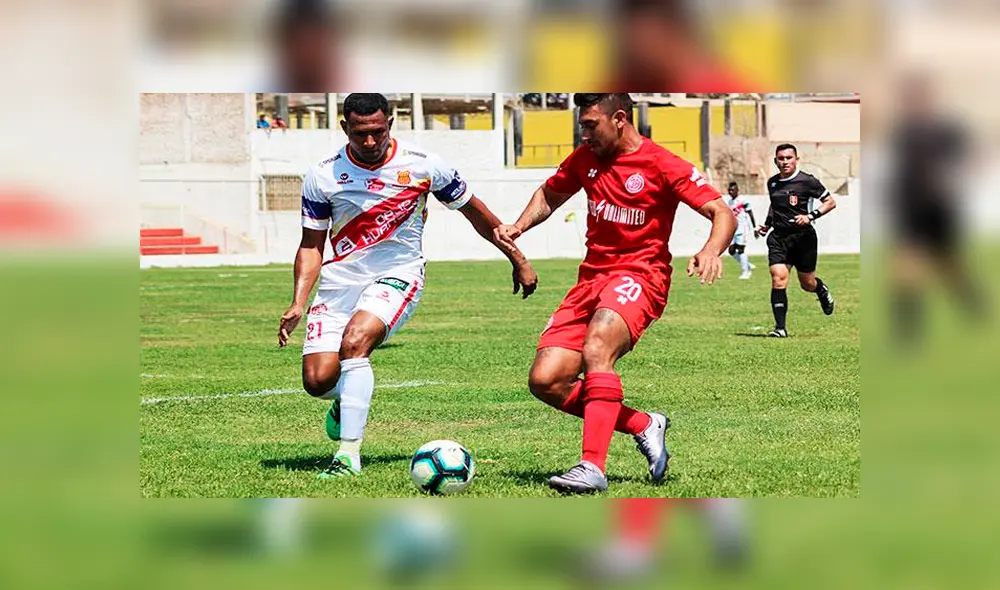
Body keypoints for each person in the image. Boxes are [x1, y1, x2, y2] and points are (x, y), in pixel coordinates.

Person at [278, 93, 537, 478]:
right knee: (317, 381)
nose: (369, 142)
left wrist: (518, 258)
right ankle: (345, 399)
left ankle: (347, 457)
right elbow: (311, 244)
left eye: (377, 132)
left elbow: (477, 214)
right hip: (340, 281)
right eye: (360, 133)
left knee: (355, 342)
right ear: (345, 127)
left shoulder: (423, 165)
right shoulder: (323, 174)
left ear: (391, 123)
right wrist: (299, 301)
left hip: (399, 273)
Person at [495, 93, 736, 494]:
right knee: (547, 380)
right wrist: (520, 226)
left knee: (598, 346)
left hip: (641, 275)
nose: (583, 133)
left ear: (619, 119)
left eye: (590, 125)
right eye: (582, 125)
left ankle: (592, 467)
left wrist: (710, 249)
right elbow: (550, 194)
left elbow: (720, 211)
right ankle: (644, 424)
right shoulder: (584, 159)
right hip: (591, 279)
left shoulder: (662, 163)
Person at [754, 144, 837, 338]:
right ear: (775, 161)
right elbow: (774, 206)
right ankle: (780, 328)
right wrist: (766, 225)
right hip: (779, 237)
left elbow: (830, 202)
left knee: (807, 283)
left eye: (788, 158)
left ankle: (821, 289)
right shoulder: (772, 183)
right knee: (778, 277)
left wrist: (811, 215)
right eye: (781, 158)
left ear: (796, 159)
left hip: (803, 238)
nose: (785, 162)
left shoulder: (807, 181)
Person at [724, 181, 757, 279]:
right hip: (734, 229)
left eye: (732, 190)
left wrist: (755, 228)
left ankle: (745, 272)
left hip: (743, 229)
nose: (730, 192)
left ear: (737, 191)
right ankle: (747, 265)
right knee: (731, 250)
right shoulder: (729, 202)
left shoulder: (743, 200)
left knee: (741, 249)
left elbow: (750, 214)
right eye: (729, 190)